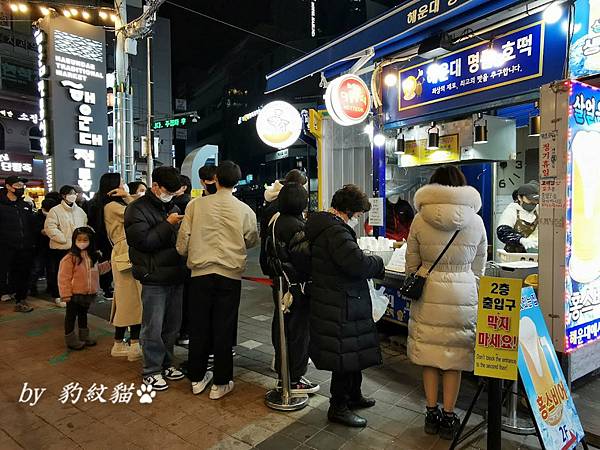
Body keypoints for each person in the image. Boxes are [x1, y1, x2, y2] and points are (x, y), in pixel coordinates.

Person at [405, 165, 487, 440]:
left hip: (429, 290)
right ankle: (450, 415)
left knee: (430, 355)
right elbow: (480, 263)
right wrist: (470, 285)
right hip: (462, 292)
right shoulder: (475, 220)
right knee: (454, 357)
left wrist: (416, 277)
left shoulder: (420, 219)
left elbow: (411, 261)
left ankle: (431, 413)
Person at [177, 161, 259, 399]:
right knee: (224, 328)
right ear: (237, 181)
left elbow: (183, 242)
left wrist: (187, 251)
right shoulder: (245, 210)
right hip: (229, 275)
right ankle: (221, 383)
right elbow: (252, 239)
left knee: (199, 326)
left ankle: (196, 378)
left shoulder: (195, 206)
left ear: (216, 179)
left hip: (199, 274)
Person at [305, 184, 384, 427]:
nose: (359, 218)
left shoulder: (324, 225)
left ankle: (353, 395)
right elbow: (356, 264)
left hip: (337, 299)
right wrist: (378, 261)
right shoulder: (335, 231)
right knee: (344, 355)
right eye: (358, 213)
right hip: (339, 301)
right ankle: (338, 406)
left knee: (352, 351)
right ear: (348, 210)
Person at [124, 166, 188, 391]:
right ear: (156, 186)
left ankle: (167, 363)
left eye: (174, 192)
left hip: (176, 274)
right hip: (153, 276)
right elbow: (144, 242)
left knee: (172, 326)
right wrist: (168, 224)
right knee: (153, 326)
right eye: (167, 191)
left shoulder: (173, 206)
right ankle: (151, 370)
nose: (170, 195)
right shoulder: (136, 209)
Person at [265, 182, 318, 394]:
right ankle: (294, 379)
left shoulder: (274, 222)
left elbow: (264, 259)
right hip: (296, 289)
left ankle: (283, 375)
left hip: (279, 286)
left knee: (281, 330)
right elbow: (305, 261)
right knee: (298, 333)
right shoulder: (298, 227)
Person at [91, 173, 143, 361]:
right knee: (132, 300)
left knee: (125, 300)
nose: (124, 186)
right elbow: (138, 212)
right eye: (121, 183)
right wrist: (128, 196)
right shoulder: (113, 206)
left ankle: (120, 342)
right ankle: (133, 345)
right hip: (126, 253)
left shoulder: (109, 205)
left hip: (122, 253)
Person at [58, 227, 110, 350]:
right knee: (70, 316)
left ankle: (84, 336)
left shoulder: (92, 257)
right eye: (79, 239)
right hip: (74, 294)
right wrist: (65, 294)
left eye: (85, 239)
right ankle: (70, 339)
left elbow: (97, 271)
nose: (82, 242)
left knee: (83, 315)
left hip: (87, 293)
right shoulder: (69, 258)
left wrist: (109, 264)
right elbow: (63, 277)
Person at [45, 185, 88, 308]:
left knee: (75, 272)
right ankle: (58, 295)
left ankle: (73, 293)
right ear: (63, 196)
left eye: (74, 193)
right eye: (70, 193)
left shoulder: (80, 211)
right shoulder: (55, 210)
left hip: (77, 247)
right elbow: (50, 227)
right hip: (60, 248)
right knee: (60, 273)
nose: (73, 195)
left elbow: (84, 225)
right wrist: (63, 239)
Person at [0, 176, 37, 312]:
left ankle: (21, 300)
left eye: (22, 185)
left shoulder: (25, 205)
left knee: (24, 273)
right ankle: (6, 292)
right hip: (6, 247)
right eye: (17, 185)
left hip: (25, 247)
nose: (20, 188)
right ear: (9, 187)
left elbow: (31, 225)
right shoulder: (2, 205)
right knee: (6, 272)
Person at [497, 183, 539, 253]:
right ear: (520, 198)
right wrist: (521, 239)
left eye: (535, 200)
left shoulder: (538, 210)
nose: (533, 202)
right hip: (513, 255)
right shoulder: (512, 210)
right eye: (529, 199)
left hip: (533, 254)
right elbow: (502, 231)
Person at [29, 198, 59, 296]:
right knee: (37, 268)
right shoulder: (36, 217)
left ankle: (50, 287)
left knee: (51, 269)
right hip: (40, 247)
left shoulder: (55, 216)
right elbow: (35, 231)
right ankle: (32, 287)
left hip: (51, 247)